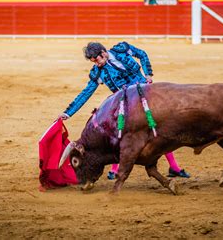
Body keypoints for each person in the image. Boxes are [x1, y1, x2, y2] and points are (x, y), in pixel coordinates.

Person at [59, 42, 191, 179]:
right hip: (127, 104)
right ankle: (114, 169)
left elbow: (142, 54)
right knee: (119, 132)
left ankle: (174, 167)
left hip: (146, 95)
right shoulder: (97, 72)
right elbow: (85, 93)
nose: (97, 64)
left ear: (103, 52)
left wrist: (148, 73)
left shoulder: (122, 49)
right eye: (93, 62)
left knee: (158, 129)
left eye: (97, 60)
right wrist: (68, 112)